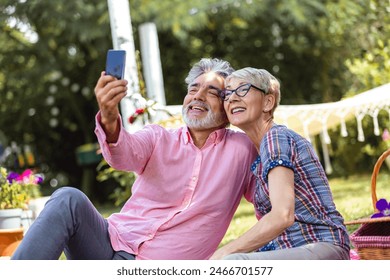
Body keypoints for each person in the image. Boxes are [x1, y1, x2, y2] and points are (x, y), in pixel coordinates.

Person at [12, 58, 257, 260]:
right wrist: (109, 116)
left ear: (226, 107)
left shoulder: (242, 150)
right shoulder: (158, 137)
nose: (198, 96)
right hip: (109, 243)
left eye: (212, 92)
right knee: (68, 198)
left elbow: (272, 201)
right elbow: (123, 153)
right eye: (193, 89)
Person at [210, 67, 350, 260]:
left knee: (232, 263)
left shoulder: (275, 137)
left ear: (268, 102)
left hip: (321, 244)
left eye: (242, 89)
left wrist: (223, 252)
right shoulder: (260, 154)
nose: (232, 98)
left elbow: (282, 216)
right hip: (296, 248)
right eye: (227, 93)